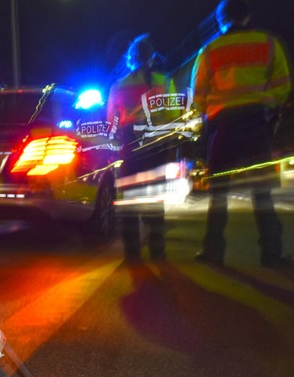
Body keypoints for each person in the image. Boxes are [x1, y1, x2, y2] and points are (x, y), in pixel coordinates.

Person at [191, 0, 292, 267]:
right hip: (256, 124)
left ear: (221, 20)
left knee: (219, 193)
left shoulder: (210, 50)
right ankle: (271, 254)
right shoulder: (268, 43)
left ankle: (213, 251)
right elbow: (282, 84)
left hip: (223, 127)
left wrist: (209, 112)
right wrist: (268, 105)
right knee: (262, 192)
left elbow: (198, 94)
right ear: (247, 16)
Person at [107, 34, 181, 263]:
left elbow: (112, 121)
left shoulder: (118, 86)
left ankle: (132, 255)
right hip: (157, 144)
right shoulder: (164, 81)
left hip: (130, 144)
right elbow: (174, 116)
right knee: (155, 199)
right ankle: (158, 251)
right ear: (152, 58)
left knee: (130, 199)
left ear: (130, 59)